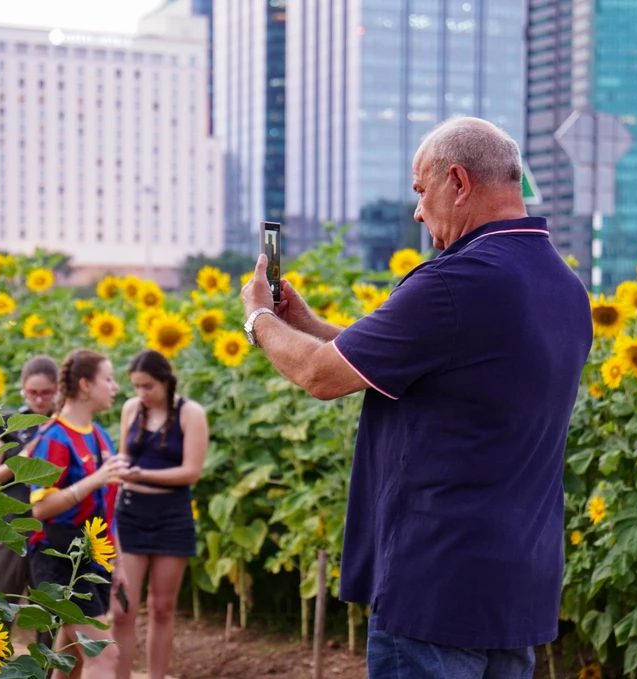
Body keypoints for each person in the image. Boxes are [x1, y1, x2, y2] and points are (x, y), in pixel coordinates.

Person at [240, 117, 593, 679]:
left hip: (436, 585)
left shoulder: (454, 281)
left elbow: (319, 377)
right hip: (519, 583)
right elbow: (428, 358)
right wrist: (304, 321)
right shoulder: (565, 287)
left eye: (420, 190)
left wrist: (258, 318)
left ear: (457, 181)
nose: (417, 211)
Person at [28, 349, 128, 679]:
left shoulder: (99, 435)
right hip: (59, 557)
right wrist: (92, 481)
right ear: (85, 385)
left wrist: (119, 561)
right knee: (104, 655)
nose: (115, 387)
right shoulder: (54, 437)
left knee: (72, 658)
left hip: (93, 558)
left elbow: (107, 510)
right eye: (109, 379)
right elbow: (40, 507)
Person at [111, 350, 208, 679]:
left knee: (162, 608)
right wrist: (120, 469)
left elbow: (191, 472)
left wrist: (143, 475)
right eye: (136, 387)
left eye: (148, 386)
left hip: (172, 515)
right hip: (131, 514)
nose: (142, 394)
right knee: (123, 610)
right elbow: (124, 455)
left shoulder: (190, 413)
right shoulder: (130, 409)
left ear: (166, 381)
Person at [0, 355, 59, 615]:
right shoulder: (5, 425)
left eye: (46, 392)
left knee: (50, 617)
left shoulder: (64, 426)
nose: (39, 399)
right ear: (23, 389)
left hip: (52, 531)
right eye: (33, 392)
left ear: (57, 389)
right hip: (9, 529)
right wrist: (23, 458)